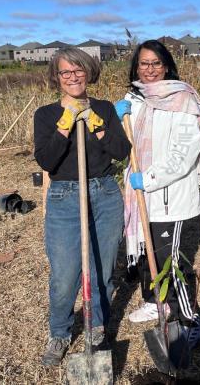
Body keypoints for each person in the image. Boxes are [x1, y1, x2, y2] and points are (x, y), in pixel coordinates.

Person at [34, 46, 131, 366]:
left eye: (79, 70)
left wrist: (96, 122)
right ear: (56, 77)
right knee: (64, 275)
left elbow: (121, 151)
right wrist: (65, 122)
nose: (73, 76)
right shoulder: (45, 115)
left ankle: (96, 329)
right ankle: (60, 333)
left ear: (88, 73)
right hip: (64, 196)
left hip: (104, 193)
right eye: (66, 72)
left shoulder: (103, 108)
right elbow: (46, 160)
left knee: (101, 272)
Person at [115, 39, 200, 349]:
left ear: (166, 65)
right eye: (144, 63)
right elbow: (122, 145)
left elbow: (185, 153)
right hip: (140, 192)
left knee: (170, 259)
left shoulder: (182, 98)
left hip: (169, 194)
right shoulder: (135, 98)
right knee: (146, 250)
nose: (150, 69)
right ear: (136, 67)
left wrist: (151, 178)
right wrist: (118, 120)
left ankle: (191, 319)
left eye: (156, 63)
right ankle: (155, 302)